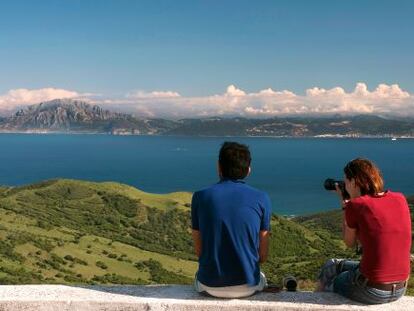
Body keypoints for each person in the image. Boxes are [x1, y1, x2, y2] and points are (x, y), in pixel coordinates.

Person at [318, 158, 412, 304]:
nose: (345, 186)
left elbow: (349, 242)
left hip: (371, 290)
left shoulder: (356, 205)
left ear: (354, 182)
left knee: (332, 282)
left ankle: (314, 300)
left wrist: (345, 205)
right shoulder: (400, 198)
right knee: (332, 264)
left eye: (346, 182)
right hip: (400, 288)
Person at [191, 141, 272, 298]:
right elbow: (262, 256)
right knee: (262, 277)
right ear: (248, 170)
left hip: (209, 284)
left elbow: (199, 251)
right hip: (248, 285)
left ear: (219, 167)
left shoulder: (200, 196)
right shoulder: (262, 198)